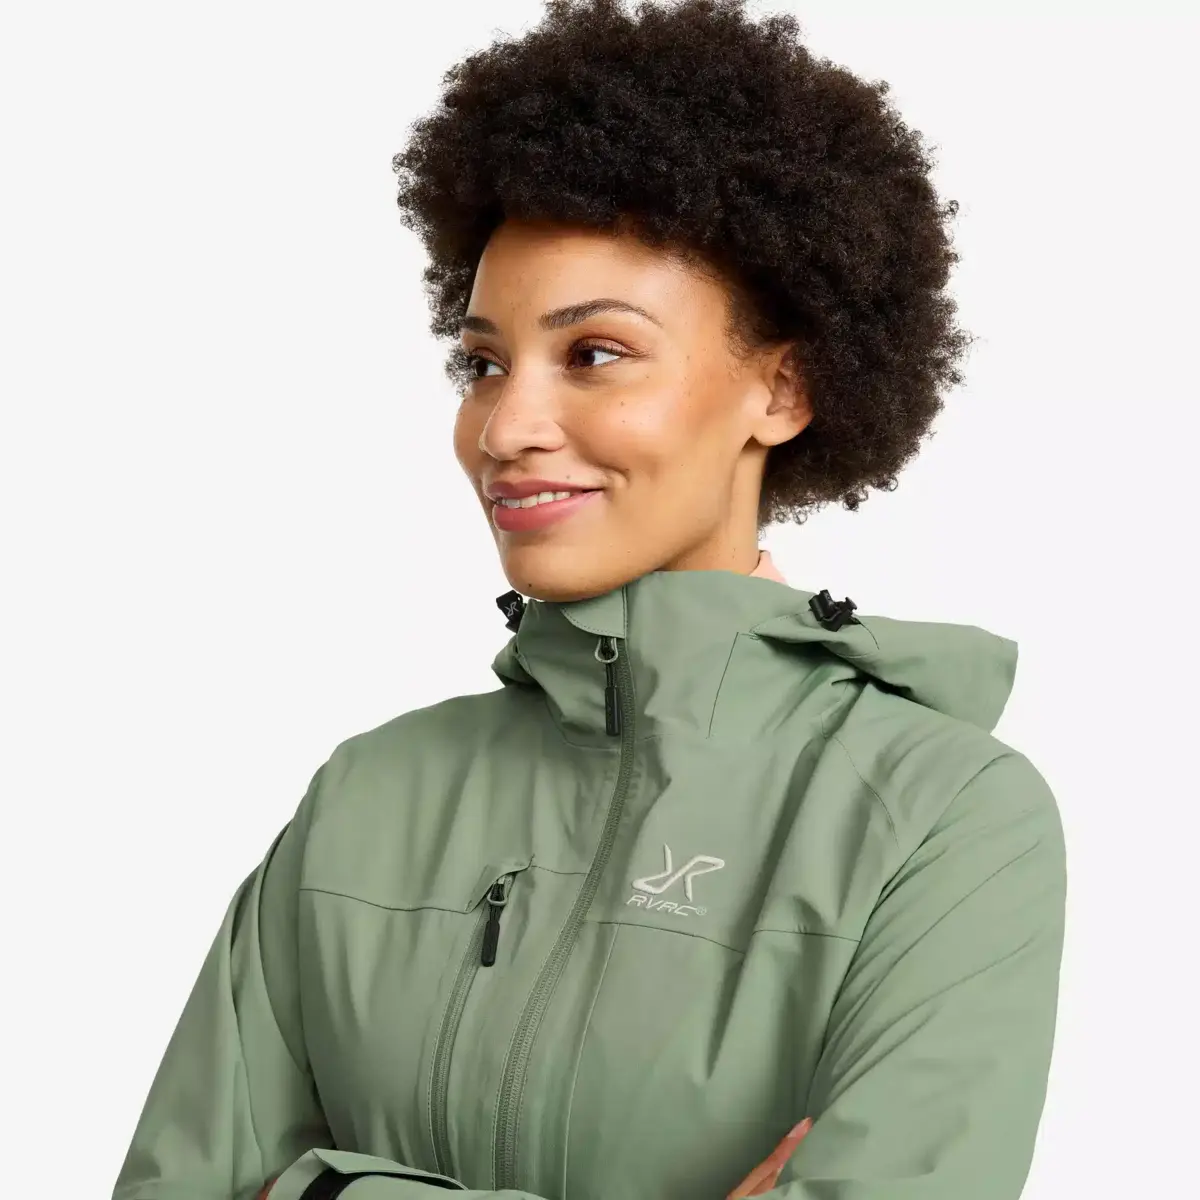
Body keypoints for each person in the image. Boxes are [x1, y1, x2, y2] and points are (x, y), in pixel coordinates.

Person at [112, 1, 1067, 1198]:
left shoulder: (940, 818)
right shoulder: (366, 797)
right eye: (483, 363)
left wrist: (327, 1190)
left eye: (595, 353)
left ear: (782, 390)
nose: (504, 428)